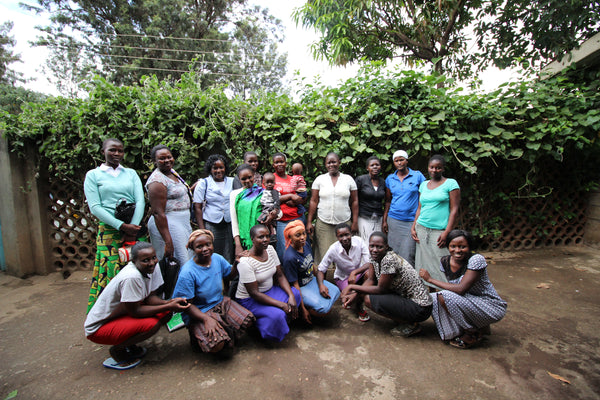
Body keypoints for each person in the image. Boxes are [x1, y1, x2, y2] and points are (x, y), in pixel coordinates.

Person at [84, 242, 190, 370]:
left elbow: (150, 298)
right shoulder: (131, 277)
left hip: (123, 313)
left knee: (165, 313)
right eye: (145, 260)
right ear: (134, 261)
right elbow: (136, 311)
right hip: (100, 327)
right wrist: (169, 306)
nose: (151, 262)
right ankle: (118, 350)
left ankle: (129, 342)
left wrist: (169, 302)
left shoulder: (153, 267)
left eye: (153, 258)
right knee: (152, 324)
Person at [84, 138, 146, 312]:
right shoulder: (93, 175)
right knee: (111, 269)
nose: (117, 154)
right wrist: (121, 226)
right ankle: (110, 313)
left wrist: (132, 228)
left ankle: (138, 310)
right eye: (112, 150)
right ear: (103, 151)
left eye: (120, 150)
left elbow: (140, 201)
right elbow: (95, 207)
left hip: (134, 229)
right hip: (110, 231)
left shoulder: (130, 173)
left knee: (136, 267)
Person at [419, 230, 507, 349]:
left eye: (462, 247)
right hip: (469, 301)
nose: (457, 250)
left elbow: (460, 289)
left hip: (490, 305)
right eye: (453, 246)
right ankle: (456, 331)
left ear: (469, 247)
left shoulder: (476, 260)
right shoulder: (445, 261)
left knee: (444, 296)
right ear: (448, 246)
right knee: (434, 298)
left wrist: (430, 280)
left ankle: (472, 332)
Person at [172, 230, 255, 355]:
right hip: (200, 311)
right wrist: (206, 319)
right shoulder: (187, 272)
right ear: (192, 248)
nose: (205, 249)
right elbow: (185, 305)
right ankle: (198, 337)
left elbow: (230, 276)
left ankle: (224, 329)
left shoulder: (216, 258)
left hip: (220, 302)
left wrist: (236, 263)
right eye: (199, 246)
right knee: (217, 344)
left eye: (208, 244)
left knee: (248, 321)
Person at [341, 232, 432, 337]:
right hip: (405, 297)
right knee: (366, 281)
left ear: (386, 247)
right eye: (372, 246)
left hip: (420, 307)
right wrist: (356, 294)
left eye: (379, 247)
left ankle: (410, 324)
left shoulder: (389, 259)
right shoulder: (374, 256)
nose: (374, 249)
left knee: (368, 299)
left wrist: (352, 287)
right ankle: (402, 317)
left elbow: (381, 289)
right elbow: (371, 279)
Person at [235, 224, 301, 342]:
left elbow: (280, 275)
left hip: (269, 291)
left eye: (267, 236)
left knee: (295, 294)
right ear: (252, 239)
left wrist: (290, 296)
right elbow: (254, 293)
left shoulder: (270, 249)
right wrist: (281, 305)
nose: (265, 240)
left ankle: (280, 323)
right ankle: (261, 328)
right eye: (260, 237)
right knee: (277, 314)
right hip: (250, 299)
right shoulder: (246, 262)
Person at [411, 155, 460, 286]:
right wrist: (413, 226)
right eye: (432, 167)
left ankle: (447, 293)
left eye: (438, 167)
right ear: (428, 168)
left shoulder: (451, 183)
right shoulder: (423, 185)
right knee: (424, 262)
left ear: (443, 168)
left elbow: (454, 209)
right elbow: (420, 207)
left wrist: (447, 232)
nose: (434, 170)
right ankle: (431, 294)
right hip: (421, 228)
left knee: (442, 261)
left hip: (439, 230)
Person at [282, 220, 340, 324]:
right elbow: (295, 284)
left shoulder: (306, 245)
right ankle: (302, 312)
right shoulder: (290, 257)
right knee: (325, 309)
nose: (302, 237)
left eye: (303, 233)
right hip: (301, 286)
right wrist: (303, 309)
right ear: (290, 238)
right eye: (297, 235)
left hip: (310, 280)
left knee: (336, 291)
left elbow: (313, 266)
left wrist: (321, 284)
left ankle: (314, 303)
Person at [306, 152, 359, 263]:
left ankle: (342, 279)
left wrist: (354, 222)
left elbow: (354, 201)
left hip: (344, 223)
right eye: (328, 163)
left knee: (344, 253)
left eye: (334, 162)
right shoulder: (320, 179)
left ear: (339, 163)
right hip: (324, 224)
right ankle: (325, 279)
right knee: (324, 254)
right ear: (325, 165)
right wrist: (309, 221)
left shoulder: (348, 179)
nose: (331, 165)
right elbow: (313, 201)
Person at [146, 145, 193, 265]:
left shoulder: (171, 172)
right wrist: (168, 242)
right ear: (154, 161)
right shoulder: (157, 181)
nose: (167, 160)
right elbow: (158, 213)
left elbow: (176, 194)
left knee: (186, 256)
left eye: (169, 157)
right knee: (180, 260)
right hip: (168, 223)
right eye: (162, 158)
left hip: (181, 222)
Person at [382, 150, 425, 266]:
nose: (399, 163)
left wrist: (417, 220)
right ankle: (394, 280)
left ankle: (408, 280)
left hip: (411, 221)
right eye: (396, 161)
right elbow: (388, 201)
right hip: (394, 220)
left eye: (401, 160)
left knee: (408, 253)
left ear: (406, 160)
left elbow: (423, 200)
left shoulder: (417, 176)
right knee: (393, 252)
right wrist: (385, 220)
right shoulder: (390, 179)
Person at [193, 154, 235, 264]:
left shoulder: (232, 181)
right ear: (210, 169)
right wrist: (202, 230)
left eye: (221, 167)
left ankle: (226, 278)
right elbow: (197, 207)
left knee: (228, 253)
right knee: (212, 252)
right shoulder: (204, 183)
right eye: (215, 168)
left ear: (225, 168)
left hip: (228, 223)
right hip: (212, 223)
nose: (218, 170)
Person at [230, 164, 277, 259]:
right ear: (239, 179)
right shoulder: (235, 194)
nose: (247, 181)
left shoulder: (264, 192)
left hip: (263, 238)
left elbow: (279, 212)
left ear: (254, 176)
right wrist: (238, 244)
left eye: (249, 177)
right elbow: (234, 221)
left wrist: (272, 216)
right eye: (243, 179)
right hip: (245, 239)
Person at [272, 152, 307, 260]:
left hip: (297, 217)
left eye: (281, 161)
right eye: (276, 162)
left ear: (286, 163)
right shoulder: (270, 179)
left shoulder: (293, 178)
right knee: (284, 250)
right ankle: (286, 275)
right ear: (273, 165)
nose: (279, 164)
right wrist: (290, 196)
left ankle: (302, 273)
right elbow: (271, 199)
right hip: (282, 220)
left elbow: (303, 197)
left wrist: (296, 201)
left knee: (301, 247)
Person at [317, 223, 370, 292]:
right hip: (343, 278)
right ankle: (359, 294)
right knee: (348, 294)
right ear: (337, 237)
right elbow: (321, 269)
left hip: (359, 273)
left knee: (369, 274)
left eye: (347, 235)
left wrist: (354, 272)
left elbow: (369, 262)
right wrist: (321, 285)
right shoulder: (333, 249)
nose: (344, 238)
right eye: (341, 236)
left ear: (351, 234)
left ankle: (361, 294)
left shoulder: (359, 241)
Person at [355, 156, 386, 245]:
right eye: (372, 165)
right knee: (365, 243)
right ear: (367, 168)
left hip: (378, 218)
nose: (375, 167)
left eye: (377, 165)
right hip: (364, 217)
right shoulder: (361, 180)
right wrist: (354, 221)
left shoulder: (383, 182)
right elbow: (354, 200)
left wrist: (384, 220)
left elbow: (387, 201)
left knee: (377, 242)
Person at [257, 172, 281, 237]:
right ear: (264, 183)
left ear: (274, 183)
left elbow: (277, 201)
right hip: (265, 207)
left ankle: (272, 233)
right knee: (265, 221)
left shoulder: (275, 192)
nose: (269, 184)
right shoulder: (262, 191)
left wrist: (275, 210)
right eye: (267, 182)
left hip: (271, 208)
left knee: (267, 220)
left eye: (271, 182)